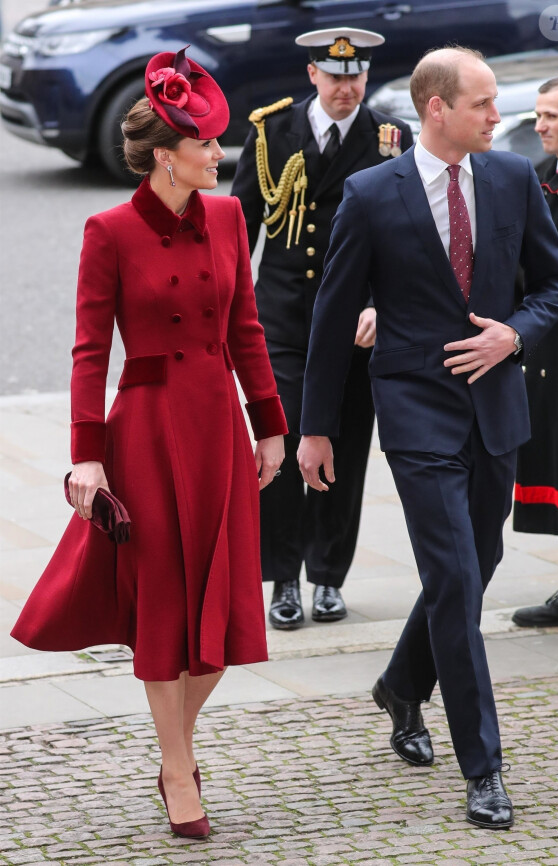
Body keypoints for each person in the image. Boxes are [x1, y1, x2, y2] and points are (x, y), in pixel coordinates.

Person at [11, 48, 287, 839]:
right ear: (167, 156)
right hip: (147, 431)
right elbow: (89, 350)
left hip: (219, 429)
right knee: (167, 608)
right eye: (204, 145)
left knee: (224, 622)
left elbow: (247, 328)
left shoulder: (231, 216)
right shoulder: (110, 230)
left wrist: (269, 424)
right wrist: (85, 453)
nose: (217, 155)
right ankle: (177, 769)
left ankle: (178, 744)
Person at [297, 47, 558, 828]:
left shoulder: (514, 178)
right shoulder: (370, 193)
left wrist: (511, 336)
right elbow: (330, 317)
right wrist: (315, 428)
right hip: (415, 407)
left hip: (497, 405)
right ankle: (483, 769)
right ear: (436, 109)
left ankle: (399, 684)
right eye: (484, 103)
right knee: (455, 575)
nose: (499, 116)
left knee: (477, 561)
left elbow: (555, 284)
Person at [231, 27, 412, 630]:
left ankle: (328, 576)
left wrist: (383, 304)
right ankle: (282, 576)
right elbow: (239, 232)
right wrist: (232, 314)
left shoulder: (389, 139)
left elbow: (404, 237)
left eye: (356, 76)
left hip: (353, 325)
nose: (347, 88)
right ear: (312, 74)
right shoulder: (271, 132)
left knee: (344, 446)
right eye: (335, 77)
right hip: (280, 318)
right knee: (278, 451)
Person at [511, 75, 558, 648]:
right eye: (537, 115)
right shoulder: (541, 178)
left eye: (552, 115)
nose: (540, 126)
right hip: (546, 359)